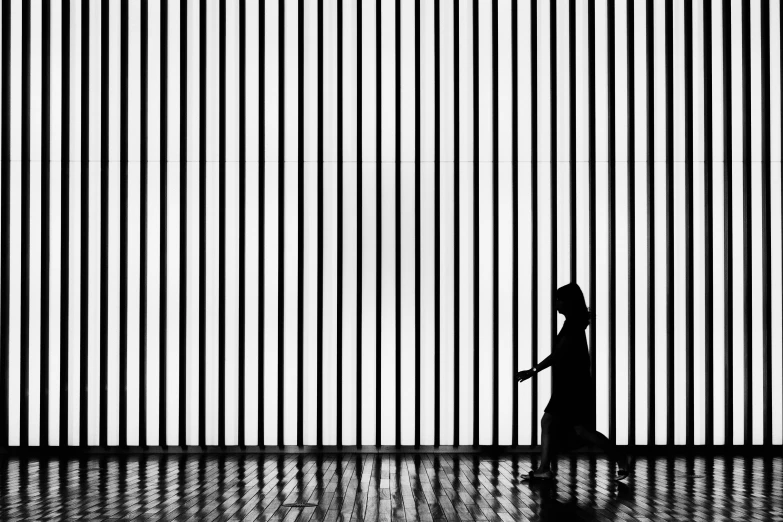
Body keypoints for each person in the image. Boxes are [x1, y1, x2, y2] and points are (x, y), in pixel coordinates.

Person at [516, 282, 630, 481]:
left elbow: (557, 355)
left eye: (559, 299)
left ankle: (620, 459)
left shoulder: (573, 325)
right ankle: (544, 468)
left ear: (568, 301)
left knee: (575, 428)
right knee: (559, 424)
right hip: (572, 383)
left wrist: (532, 371)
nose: (556, 304)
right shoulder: (573, 323)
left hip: (572, 385)